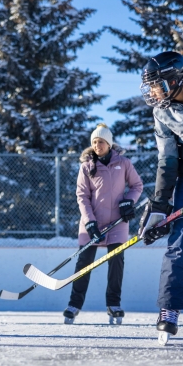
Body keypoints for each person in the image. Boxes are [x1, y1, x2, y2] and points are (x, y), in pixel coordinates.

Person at [63, 123, 143, 324]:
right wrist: (90, 222)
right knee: (84, 263)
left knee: (116, 262)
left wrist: (129, 201)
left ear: (109, 143)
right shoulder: (87, 166)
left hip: (117, 222)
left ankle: (113, 305)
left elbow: (137, 185)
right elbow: (82, 196)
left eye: (101, 142)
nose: (97, 145)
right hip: (92, 222)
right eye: (94, 142)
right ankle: (74, 305)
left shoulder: (123, 163)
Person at [138, 51, 183, 343]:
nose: (154, 91)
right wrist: (159, 205)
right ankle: (169, 309)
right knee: (181, 244)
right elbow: (167, 160)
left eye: (157, 84)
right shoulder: (162, 112)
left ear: (175, 80)